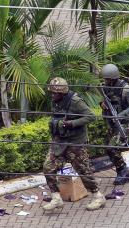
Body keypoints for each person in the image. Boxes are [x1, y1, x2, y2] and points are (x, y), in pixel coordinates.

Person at [42, 77, 106, 211]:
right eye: (52, 93)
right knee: (48, 168)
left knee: (83, 171)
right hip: (59, 141)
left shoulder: (75, 101)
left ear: (63, 93)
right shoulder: (55, 101)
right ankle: (56, 198)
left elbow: (91, 116)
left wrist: (71, 123)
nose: (52, 95)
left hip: (75, 142)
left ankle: (98, 197)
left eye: (55, 93)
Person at [100, 64, 129, 185]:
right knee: (109, 149)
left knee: (112, 148)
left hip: (125, 123)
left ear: (113, 78)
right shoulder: (105, 87)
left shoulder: (126, 89)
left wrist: (119, 115)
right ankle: (123, 171)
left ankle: (123, 171)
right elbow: (104, 99)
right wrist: (102, 104)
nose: (105, 81)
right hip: (112, 123)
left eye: (107, 79)